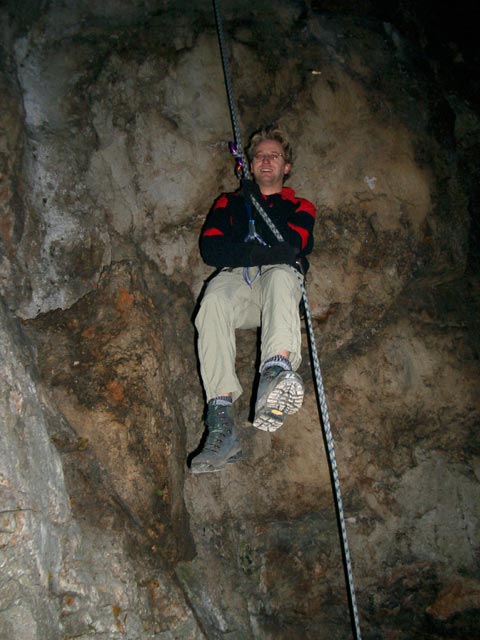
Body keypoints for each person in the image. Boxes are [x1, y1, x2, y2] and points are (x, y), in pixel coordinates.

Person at [191, 126, 316, 474]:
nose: (266, 161)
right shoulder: (229, 203)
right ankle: (221, 424)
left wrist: (250, 243)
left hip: (275, 288)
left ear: (286, 167)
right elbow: (211, 249)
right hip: (237, 283)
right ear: (247, 165)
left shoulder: (300, 206)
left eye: (274, 156)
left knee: (279, 273)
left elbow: (293, 246)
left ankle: (274, 373)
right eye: (260, 155)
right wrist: (258, 248)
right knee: (213, 300)